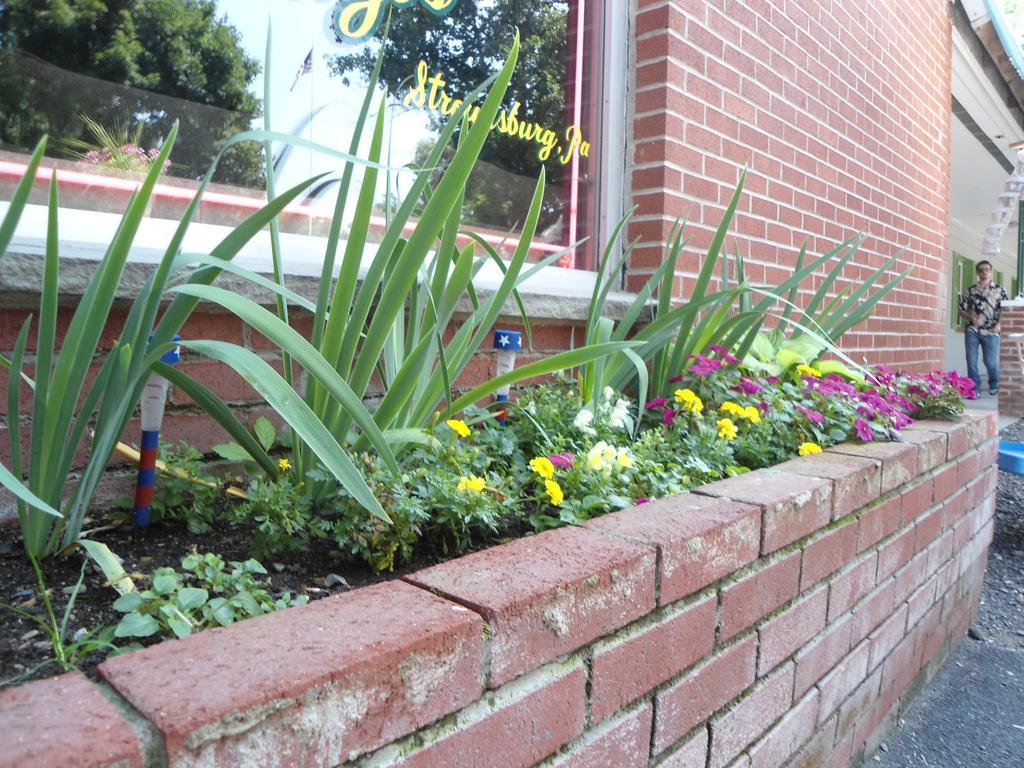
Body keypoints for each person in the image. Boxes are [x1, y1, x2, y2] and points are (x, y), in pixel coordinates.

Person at [958, 260, 1008, 396]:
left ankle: (994, 382)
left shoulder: (1000, 290)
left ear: (991, 271)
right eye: (981, 270)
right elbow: (961, 309)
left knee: (990, 362)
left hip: (991, 330)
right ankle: (974, 389)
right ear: (977, 272)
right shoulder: (970, 290)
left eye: (986, 269)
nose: (984, 272)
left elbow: (1006, 310)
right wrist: (969, 315)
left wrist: (999, 325)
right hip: (973, 330)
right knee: (971, 360)